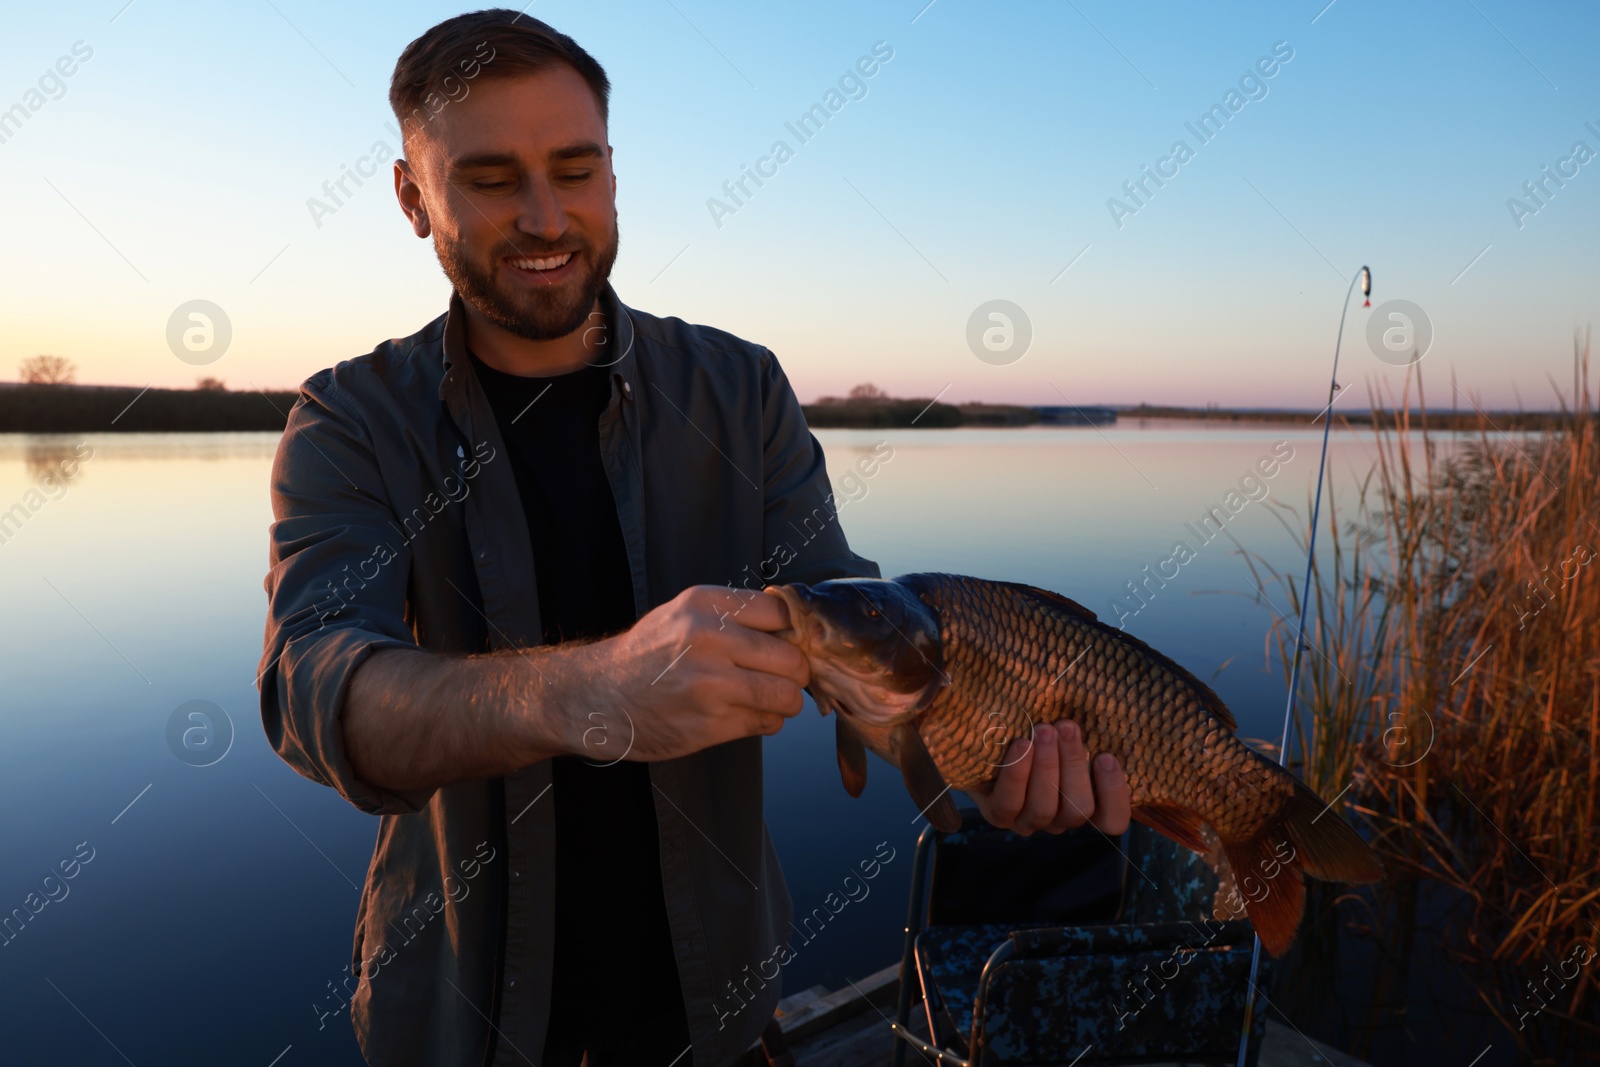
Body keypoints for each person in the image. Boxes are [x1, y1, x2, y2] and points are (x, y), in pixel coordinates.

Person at [258, 10, 1130, 1066]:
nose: (545, 216)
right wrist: (596, 691)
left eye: (575, 169)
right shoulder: (352, 420)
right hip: (458, 1014)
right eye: (490, 180)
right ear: (412, 196)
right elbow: (314, 689)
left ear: (614, 176)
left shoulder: (739, 388)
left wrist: (975, 747)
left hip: (715, 1003)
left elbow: (845, 616)